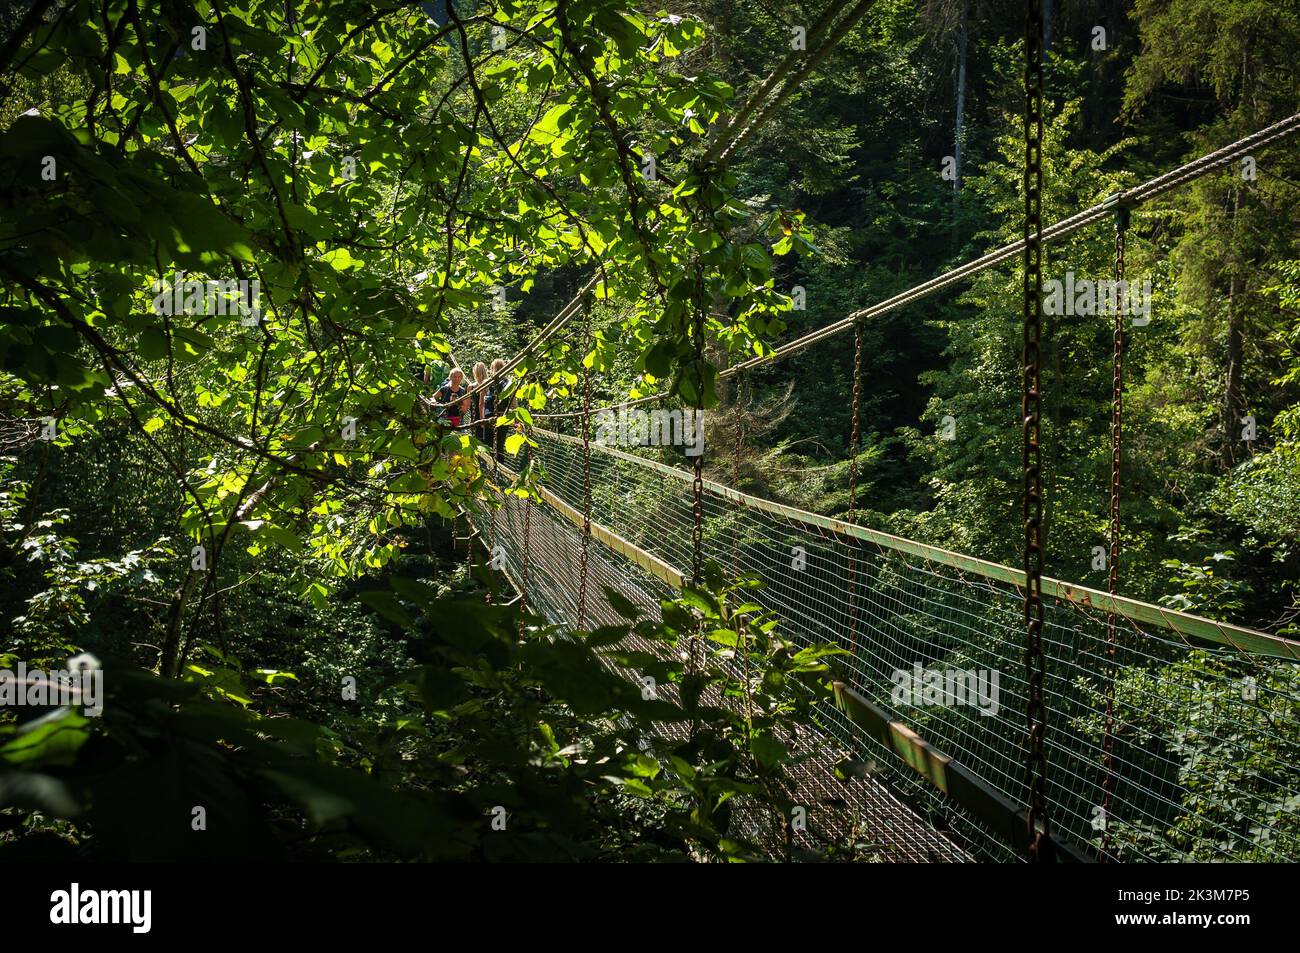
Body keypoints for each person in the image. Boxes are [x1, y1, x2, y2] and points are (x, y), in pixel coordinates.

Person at [471, 362, 490, 442]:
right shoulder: (488, 384)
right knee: (486, 438)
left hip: (475, 414)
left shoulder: (471, 386)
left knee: (476, 438)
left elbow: (469, 404)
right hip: (485, 414)